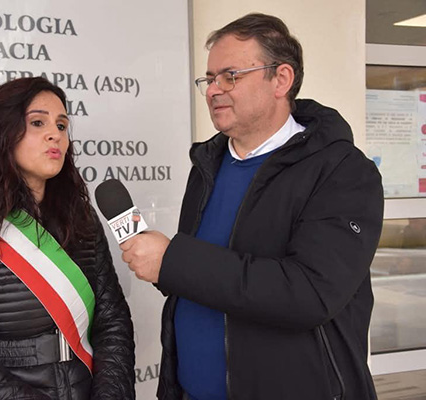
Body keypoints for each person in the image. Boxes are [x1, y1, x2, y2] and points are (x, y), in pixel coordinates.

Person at [120, 13, 383, 400]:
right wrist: (161, 265)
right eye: (209, 79)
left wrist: (173, 260)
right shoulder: (207, 166)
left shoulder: (342, 171)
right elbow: (208, 275)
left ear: (281, 79)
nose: (213, 90)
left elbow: (309, 293)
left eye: (230, 76)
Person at [0, 77, 135, 400]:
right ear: (1, 132)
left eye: (62, 125)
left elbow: (113, 324)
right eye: (38, 122)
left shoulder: (81, 218)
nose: (55, 134)